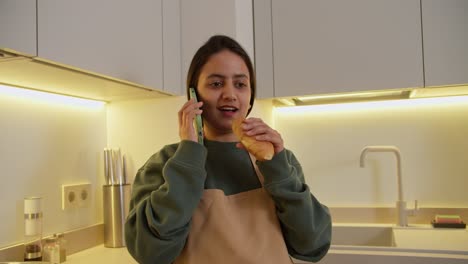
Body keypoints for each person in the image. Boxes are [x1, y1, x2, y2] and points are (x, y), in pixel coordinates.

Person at [125, 35, 331, 264]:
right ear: (194, 95)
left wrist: (279, 169)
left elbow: (313, 246)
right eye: (216, 83)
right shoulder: (165, 162)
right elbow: (149, 253)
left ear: (250, 95)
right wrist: (188, 157)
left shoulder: (279, 161)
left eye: (240, 84)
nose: (230, 94)